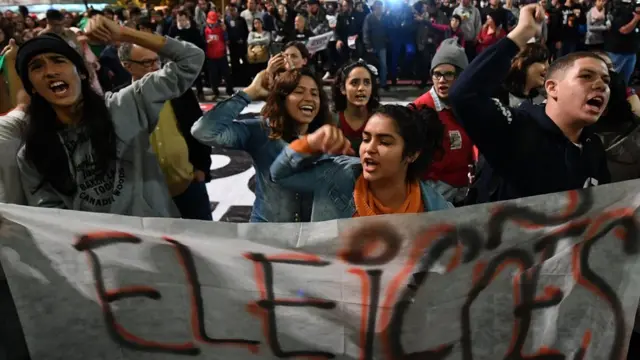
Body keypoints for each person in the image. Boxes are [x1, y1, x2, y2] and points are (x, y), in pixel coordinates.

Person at [15, 15, 204, 216]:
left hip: (156, 242)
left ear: (81, 72)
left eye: (58, 61)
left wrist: (124, 33)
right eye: (37, 67)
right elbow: (50, 218)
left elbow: (191, 59)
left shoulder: (124, 105)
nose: (50, 72)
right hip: (96, 246)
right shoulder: (33, 154)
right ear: (32, 88)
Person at [449, 4, 611, 203]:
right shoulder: (516, 129)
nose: (600, 85)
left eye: (606, 80)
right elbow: (464, 95)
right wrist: (521, 34)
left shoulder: (593, 147)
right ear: (552, 88)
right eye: (586, 76)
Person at [191, 69, 333, 222]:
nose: (308, 98)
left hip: (312, 236)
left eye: (314, 93)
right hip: (266, 235)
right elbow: (203, 131)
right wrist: (249, 93)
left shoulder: (329, 136)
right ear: (282, 98)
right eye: (299, 91)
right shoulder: (261, 132)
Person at [269, 105, 453, 221]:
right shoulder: (335, 176)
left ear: (411, 154)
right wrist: (309, 143)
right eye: (366, 139)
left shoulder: (435, 210)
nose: (369, 149)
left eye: (384, 142)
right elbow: (279, 175)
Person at [118, 42, 213, 220]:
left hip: (190, 184)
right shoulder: (120, 102)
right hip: (146, 196)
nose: (155, 68)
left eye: (157, 61)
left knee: (205, 239)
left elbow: (200, 127)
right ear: (127, 66)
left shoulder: (179, 91)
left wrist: (201, 168)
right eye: (147, 63)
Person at [414, 39, 474, 205]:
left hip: (464, 187)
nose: (441, 80)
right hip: (434, 191)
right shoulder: (420, 108)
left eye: (448, 74)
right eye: (437, 74)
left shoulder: (467, 106)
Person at [332, 60, 380, 153]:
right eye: (354, 83)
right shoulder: (331, 119)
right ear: (342, 88)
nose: (361, 88)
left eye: (366, 82)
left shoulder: (382, 117)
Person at [497, 43, 550, 107]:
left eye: (548, 62)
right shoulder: (499, 95)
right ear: (521, 63)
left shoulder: (541, 100)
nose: (547, 67)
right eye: (542, 62)